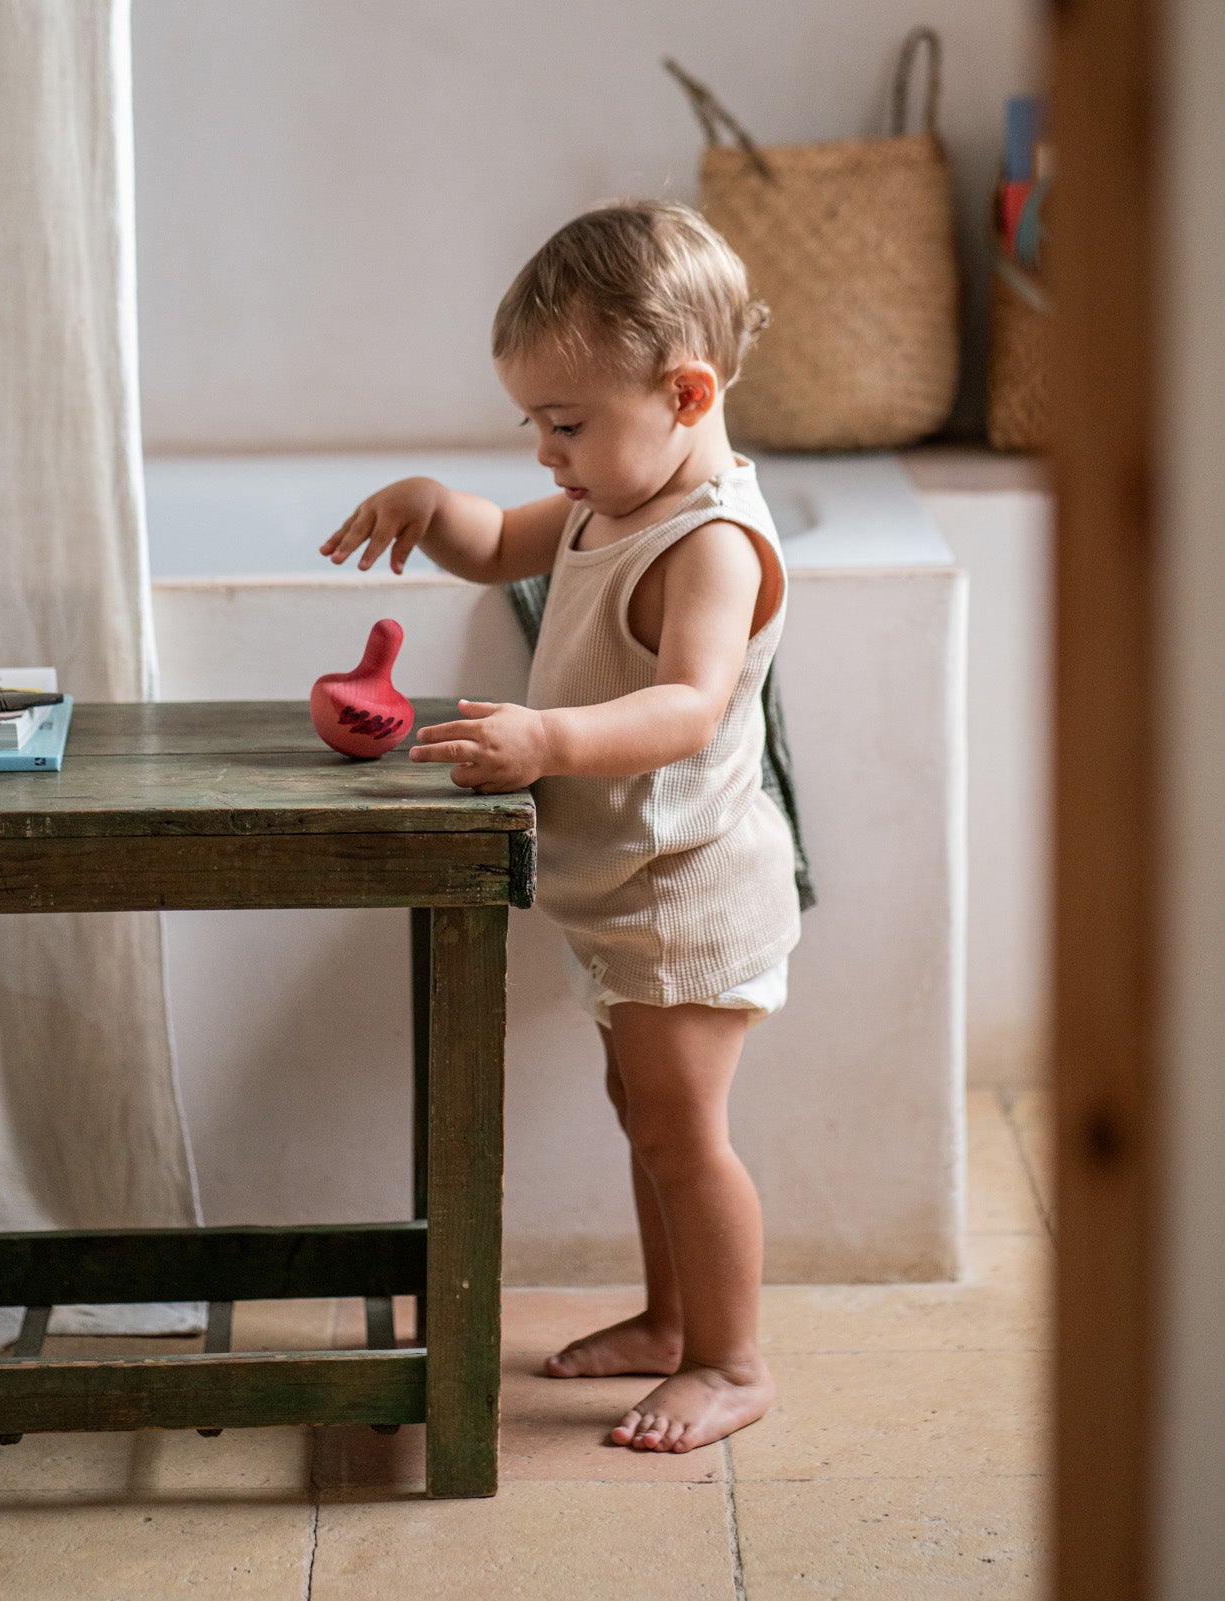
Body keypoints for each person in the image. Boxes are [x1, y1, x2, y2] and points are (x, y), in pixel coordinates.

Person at [320, 200, 800, 1453]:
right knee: (642, 1113)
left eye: (566, 422)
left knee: (684, 1133)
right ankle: (664, 1318)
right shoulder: (603, 498)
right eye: (531, 422)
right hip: (627, 886)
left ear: (686, 394)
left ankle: (730, 1358)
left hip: (688, 892)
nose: (544, 453)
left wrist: (548, 740)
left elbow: (688, 706)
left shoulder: (712, 544)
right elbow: (495, 548)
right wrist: (431, 504)